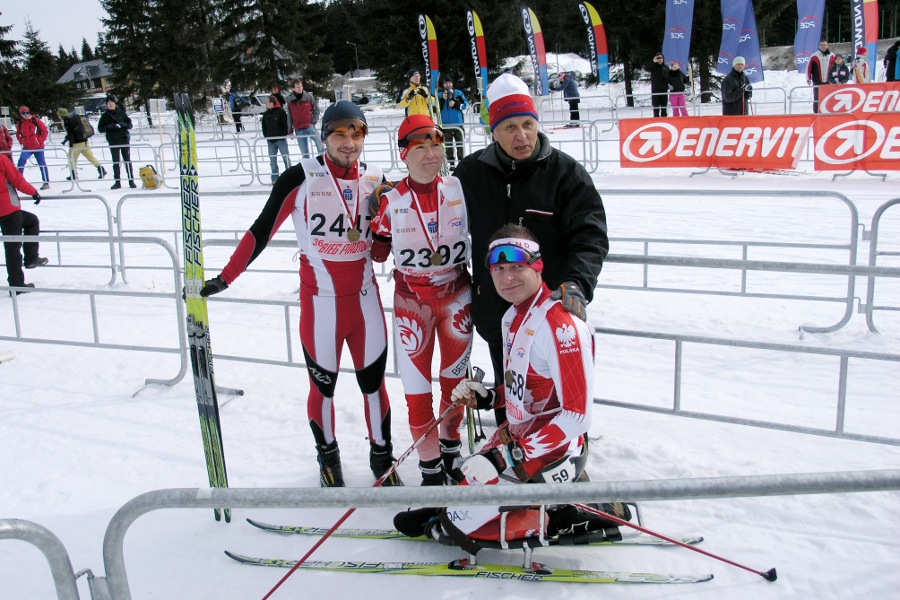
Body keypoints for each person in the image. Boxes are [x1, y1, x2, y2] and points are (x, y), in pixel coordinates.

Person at [197, 101, 401, 488]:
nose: (348, 142)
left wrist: (384, 239)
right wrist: (226, 277)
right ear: (325, 137)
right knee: (322, 389)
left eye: (355, 133)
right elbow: (261, 230)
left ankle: (382, 458)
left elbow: (388, 239)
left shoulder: (377, 178)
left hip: (365, 304)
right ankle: (328, 459)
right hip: (320, 305)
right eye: (339, 134)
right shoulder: (300, 177)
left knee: (374, 385)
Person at [393, 224, 622, 543]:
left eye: (518, 266)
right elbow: (525, 389)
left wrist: (507, 457)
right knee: (463, 490)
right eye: (498, 268)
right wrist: (488, 397)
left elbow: (576, 416)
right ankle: (451, 513)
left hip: (555, 450)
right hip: (517, 438)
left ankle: (571, 514)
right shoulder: (511, 318)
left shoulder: (561, 328)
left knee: (462, 527)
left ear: (538, 266)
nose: (507, 277)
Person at [452, 72, 609, 421]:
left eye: (527, 123)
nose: (521, 135)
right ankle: (510, 456)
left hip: (550, 313)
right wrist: (392, 198)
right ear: (493, 131)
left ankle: (562, 462)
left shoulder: (565, 173)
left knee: (558, 404)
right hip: (498, 312)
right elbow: (435, 208)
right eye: (509, 127)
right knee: (511, 399)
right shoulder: (470, 173)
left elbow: (591, 235)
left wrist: (577, 283)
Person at [370, 115, 472, 486]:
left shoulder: (460, 187)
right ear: (403, 154)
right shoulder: (391, 201)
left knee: (454, 383)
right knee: (417, 392)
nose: (431, 155)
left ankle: (451, 449)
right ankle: (429, 471)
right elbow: (378, 252)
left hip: (457, 297)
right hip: (412, 304)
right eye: (420, 147)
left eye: (436, 145)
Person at [1, 155, 47, 296]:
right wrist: (33, 192)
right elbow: (17, 179)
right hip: (7, 208)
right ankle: (17, 284)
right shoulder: (1, 159)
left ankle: (31, 258)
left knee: (31, 221)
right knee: (12, 248)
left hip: (7, 209)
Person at [97, 95, 136, 190]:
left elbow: (130, 125)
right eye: (108, 102)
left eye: (112, 102)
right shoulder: (105, 116)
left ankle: (131, 181)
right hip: (113, 140)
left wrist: (124, 125)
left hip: (123, 139)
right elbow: (100, 129)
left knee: (127, 160)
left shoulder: (121, 113)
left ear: (115, 103)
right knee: (115, 162)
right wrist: (109, 126)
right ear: (106, 104)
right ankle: (117, 182)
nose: (110, 104)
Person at [58, 108, 106, 182]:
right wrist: (65, 140)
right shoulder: (73, 118)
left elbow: (71, 134)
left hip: (77, 143)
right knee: (90, 157)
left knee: (71, 158)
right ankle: (101, 169)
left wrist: (71, 145)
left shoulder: (67, 121)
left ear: (61, 115)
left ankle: (73, 174)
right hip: (85, 141)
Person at [286, 78, 324, 159]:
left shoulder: (309, 97)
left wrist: (313, 121)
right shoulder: (290, 100)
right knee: (304, 153)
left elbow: (316, 110)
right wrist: (290, 130)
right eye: (298, 87)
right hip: (299, 129)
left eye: (301, 86)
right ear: (293, 88)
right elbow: (289, 116)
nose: (300, 89)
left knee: (320, 145)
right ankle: (307, 168)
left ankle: (323, 161)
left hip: (309, 126)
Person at [14, 106, 50, 190]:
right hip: (27, 147)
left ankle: (46, 182)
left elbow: (45, 131)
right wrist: (21, 141)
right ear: (21, 114)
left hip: (38, 146)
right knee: (21, 161)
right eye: (24, 113)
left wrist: (39, 140)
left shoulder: (35, 120)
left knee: (42, 163)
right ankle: (19, 181)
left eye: (27, 112)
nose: (26, 115)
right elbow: (18, 133)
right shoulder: (20, 122)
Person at [437, 75, 468, 170]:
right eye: (446, 83)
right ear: (443, 84)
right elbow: (435, 108)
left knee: (460, 144)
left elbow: (466, 105)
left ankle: (462, 162)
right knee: (448, 145)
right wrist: (442, 99)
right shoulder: (439, 94)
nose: (448, 85)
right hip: (445, 125)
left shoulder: (458, 93)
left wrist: (456, 104)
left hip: (458, 124)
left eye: (450, 83)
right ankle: (451, 164)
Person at [260, 94, 290, 183]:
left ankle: (290, 176)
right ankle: (274, 178)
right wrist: (266, 136)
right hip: (270, 141)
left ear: (272, 103)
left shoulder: (281, 112)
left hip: (281, 140)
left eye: (267, 102)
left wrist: (283, 135)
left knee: (286, 159)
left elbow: (285, 125)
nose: (266, 103)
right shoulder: (266, 114)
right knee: (273, 161)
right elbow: (264, 126)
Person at [807, 39, 835, 113]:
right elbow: (809, 68)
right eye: (821, 45)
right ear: (819, 46)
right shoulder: (814, 56)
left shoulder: (832, 55)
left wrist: (835, 78)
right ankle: (816, 112)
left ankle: (828, 111)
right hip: (817, 81)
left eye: (824, 45)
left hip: (828, 81)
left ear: (827, 45)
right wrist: (808, 78)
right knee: (817, 98)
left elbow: (835, 67)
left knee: (829, 97)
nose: (823, 46)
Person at [647, 51, 669, 118]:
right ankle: (656, 121)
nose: (660, 59)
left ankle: (664, 120)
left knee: (664, 108)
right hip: (655, 90)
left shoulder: (666, 67)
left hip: (664, 89)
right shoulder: (653, 66)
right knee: (656, 108)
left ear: (663, 59)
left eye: (661, 58)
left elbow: (669, 77)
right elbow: (647, 68)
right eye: (658, 58)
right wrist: (653, 62)